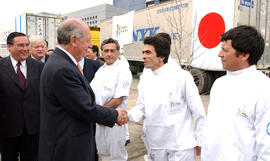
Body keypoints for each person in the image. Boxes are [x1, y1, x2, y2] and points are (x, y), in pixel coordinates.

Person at [39, 18, 129, 161]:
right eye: (88, 40)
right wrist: (114, 115)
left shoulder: (61, 62)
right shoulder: (63, 68)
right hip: (67, 147)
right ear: (74, 40)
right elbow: (84, 107)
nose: (90, 45)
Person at [128, 35, 206, 161]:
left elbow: (198, 112)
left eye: (148, 52)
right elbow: (141, 109)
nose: (143, 56)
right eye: (143, 52)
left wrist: (200, 140)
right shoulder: (145, 79)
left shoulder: (182, 77)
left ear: (161, 57)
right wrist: (125, 116)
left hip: (180, 147)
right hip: (156, 145)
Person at [201, 25, 270, 161]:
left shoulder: (263, 88)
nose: (219, 54)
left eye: (225, 50)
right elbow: (211, 130)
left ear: (244, 55)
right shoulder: (219, 84)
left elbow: (267, 146)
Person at [0, 32, 44, 161]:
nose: (25, 49)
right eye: (20, 45)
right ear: (9, 47)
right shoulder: (1, 67)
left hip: (33, 129)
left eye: (27, 45)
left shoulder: (40, 67)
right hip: (7, 129)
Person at [90, 38, 132, 161]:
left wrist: (100, 114)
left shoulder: (123, 70)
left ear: (118, 52)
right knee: (103, 154)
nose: (109, 54)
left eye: (112, 51)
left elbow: (118, 99)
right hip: (100, 121)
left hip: (114, 121)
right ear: (102, 53)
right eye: (106, 51)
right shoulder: (101, 70)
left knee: (116, 156)